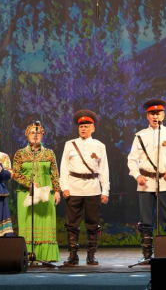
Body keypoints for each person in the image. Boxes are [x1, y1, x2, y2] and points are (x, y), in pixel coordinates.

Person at [127, 99, 166, 263]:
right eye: (152, 113)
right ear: (147, 116)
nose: (155, 116)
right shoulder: (140, 135)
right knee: (146, 220)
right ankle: (147, 255)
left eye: (158, 113)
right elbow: (132, 160)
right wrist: (136, 175)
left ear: (164, 114)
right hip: (146, 182)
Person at [60, 110, 110, 266]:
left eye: (87, 125)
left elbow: (104, 169)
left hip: (93, 188)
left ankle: (91, 256)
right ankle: (73, 256)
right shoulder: (70, 144)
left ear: (93, 128)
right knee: (72, 224)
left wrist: (105, 190)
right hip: (73, 188)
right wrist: (64, 187)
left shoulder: (99, 146)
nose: (83, 128)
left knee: (92, 223)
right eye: (81, 126)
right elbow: (64, 167)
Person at [12, 122, 61, 262]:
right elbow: (15, 173)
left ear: (42, 135)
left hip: (46, 194)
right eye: (32, 132)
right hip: (26, 194)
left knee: (46, 223)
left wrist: (57, 191)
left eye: (38, 133)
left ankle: (47, 255)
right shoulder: (20, 154)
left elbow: (54, 173)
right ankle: (28, 255)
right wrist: (29, 183)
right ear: (27, 135)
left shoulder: (49, 153)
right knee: (28, 224)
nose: (35, 135)